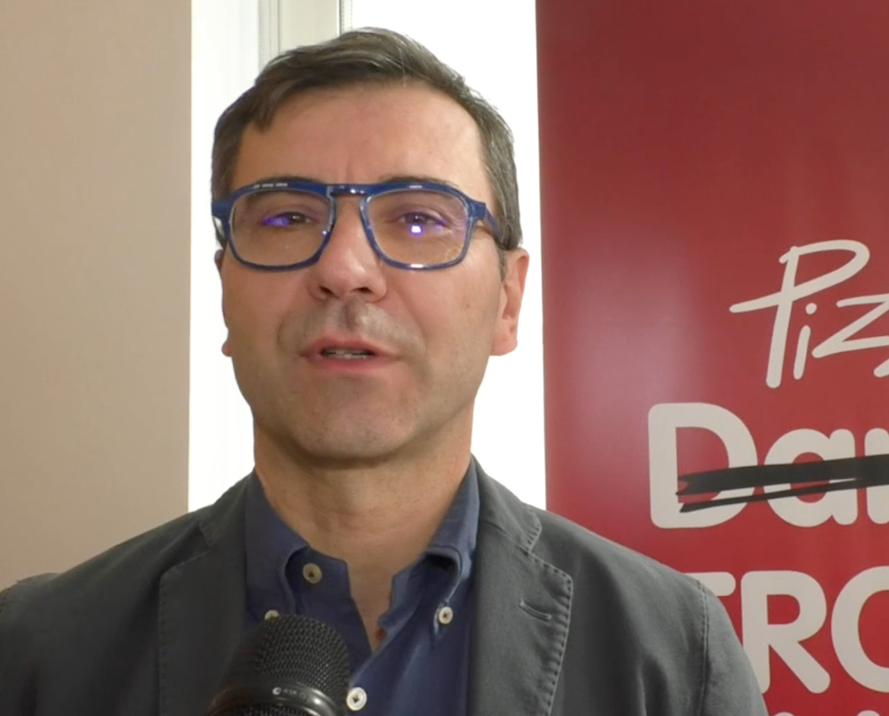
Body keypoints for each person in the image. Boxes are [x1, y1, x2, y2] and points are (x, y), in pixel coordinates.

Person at [0, 28, 768, 716]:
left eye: (419, 218)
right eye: (286, 217)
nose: (345, 268)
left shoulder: (675, 658)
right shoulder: (37, 657)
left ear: (508, 301)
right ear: (225, 291)